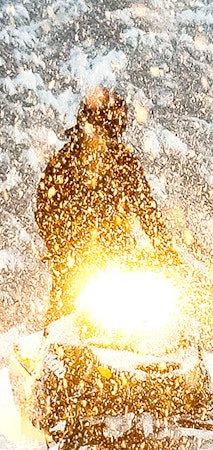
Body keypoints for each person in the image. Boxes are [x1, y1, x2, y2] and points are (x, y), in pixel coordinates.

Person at [35, 86, 178, 325]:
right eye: (99, 125)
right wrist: (60, 247)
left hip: (118, 261)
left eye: (107, 127)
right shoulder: (65, 162)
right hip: (76, 264)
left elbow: (147, 211)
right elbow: (45, 209)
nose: (102, 136)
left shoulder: (125, 162)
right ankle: (55, 355)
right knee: (63, 320)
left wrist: (167, 253)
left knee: (151, 325)